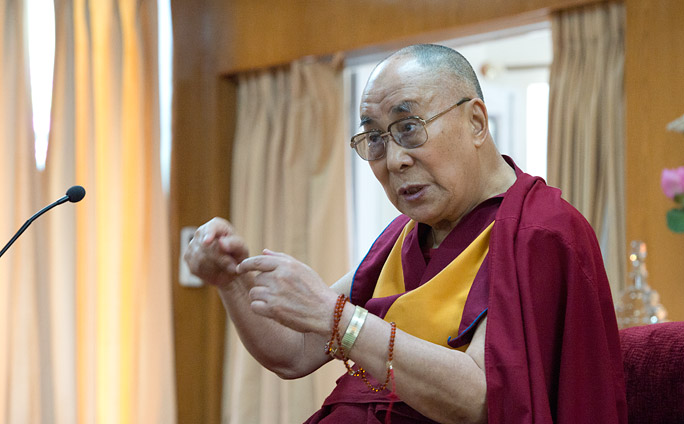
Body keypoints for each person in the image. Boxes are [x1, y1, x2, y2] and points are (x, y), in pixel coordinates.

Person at [185, 44, 627, 424]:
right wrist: (231, 281)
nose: (393, 159)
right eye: (374, 138)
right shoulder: (404, 236)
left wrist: (338, 319)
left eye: (409, 128)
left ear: (476, 122)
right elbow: (295, 353)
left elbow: (478, 397)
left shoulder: (539, 230)